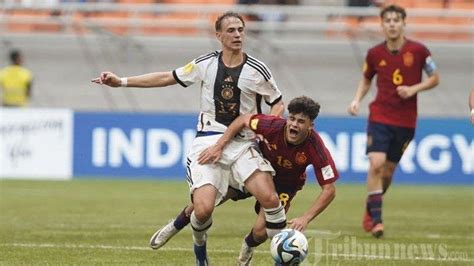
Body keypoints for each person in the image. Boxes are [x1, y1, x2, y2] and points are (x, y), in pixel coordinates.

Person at [92, 11, 287, 265]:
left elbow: (278, 104)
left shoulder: (257, 70)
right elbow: (167, 77)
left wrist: (265, 131)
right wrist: (122, 82)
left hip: (244, 143)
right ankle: (199, 248)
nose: (237, 34)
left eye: (240, 29)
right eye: (231, 30)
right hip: (209, 139)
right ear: (218, 35)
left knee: (270, 199)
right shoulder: (205, 64)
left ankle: (282, 254)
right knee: (203, 208)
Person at [151, 96, 338, 266]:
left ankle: (248, 246)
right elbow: (243, 120)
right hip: (253, 172)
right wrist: (220, 145)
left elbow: (329, 189)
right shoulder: (272, 125)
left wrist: (306, 218)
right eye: (292, 118)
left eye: (301, 122)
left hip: (283, 186)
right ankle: (176, 225)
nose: (294, 125)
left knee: (260, 232)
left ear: (310, 126)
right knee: (205, 205)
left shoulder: (316, 148)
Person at [347, 4, 440, 238]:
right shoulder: (374, 53)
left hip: (406, 121)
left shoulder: (419, 51)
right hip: (379, 115)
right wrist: (356, 100)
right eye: (387, 20)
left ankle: (371, 207)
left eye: (396, 20)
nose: (391, 24)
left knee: (387, 172)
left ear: (403, 23)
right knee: (376, 164)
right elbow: (367, 80)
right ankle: (377, 220)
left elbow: (435, 78)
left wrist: (413, 89)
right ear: (382, 24)